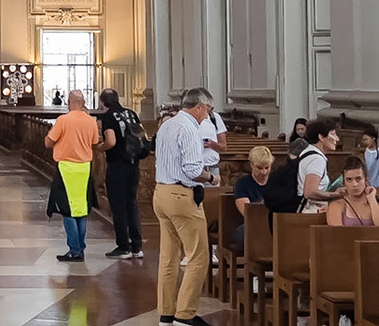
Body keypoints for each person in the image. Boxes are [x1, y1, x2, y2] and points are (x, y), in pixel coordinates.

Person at [151, 88, 218, 326]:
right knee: (199, 257)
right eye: (208, 110)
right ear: (199, 106)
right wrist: (211, 178)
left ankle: (166, 314)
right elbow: (192, 170)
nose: (207, 116)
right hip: (181, 196)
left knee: (169, 258)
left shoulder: (167, 124)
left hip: (161, 193)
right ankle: (185, 315)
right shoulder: (189, 128)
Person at [44, 88, 100, 263]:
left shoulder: (63, 120)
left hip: (67, 168)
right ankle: (80, 247)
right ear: (82, 102)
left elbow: (48, 142)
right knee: (81, 210)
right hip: (84, 167)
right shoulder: (90, 121)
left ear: (68, 102)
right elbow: (95, 142)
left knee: (67, 209)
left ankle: (74, 250)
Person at [99, 89, 144, 260]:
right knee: (131, 204)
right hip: (133, 164)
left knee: (118, 206)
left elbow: (111, 141)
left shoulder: (109, 116)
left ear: (103, 102)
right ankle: (137, 246)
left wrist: (99, 148)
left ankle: (123, 246)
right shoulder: (131, 113)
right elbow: (141, 136)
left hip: (117, 165)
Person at [228, 146, 273, 253]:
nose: (264, 172)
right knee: (247, 232)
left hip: (272, 222)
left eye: (267, 168)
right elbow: (247, 212)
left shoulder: (276, 182)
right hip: (250, 223)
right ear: (252, 165)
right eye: (260, 168)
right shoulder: (243, 184)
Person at [325, 157, 379, 227]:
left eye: (358, 179)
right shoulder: (337, 206)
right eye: (349, 180)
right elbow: (336, 234)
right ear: (344, 182)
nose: (354, 184)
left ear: (365, 180)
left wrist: (372, 199)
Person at [297, 117, 341, 212]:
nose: (337, 139)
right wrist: (335, 195)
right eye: (333, 134)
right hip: (312, 211)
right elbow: (309, 192)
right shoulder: (316, 159)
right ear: (321, 137)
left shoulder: (308, 152)